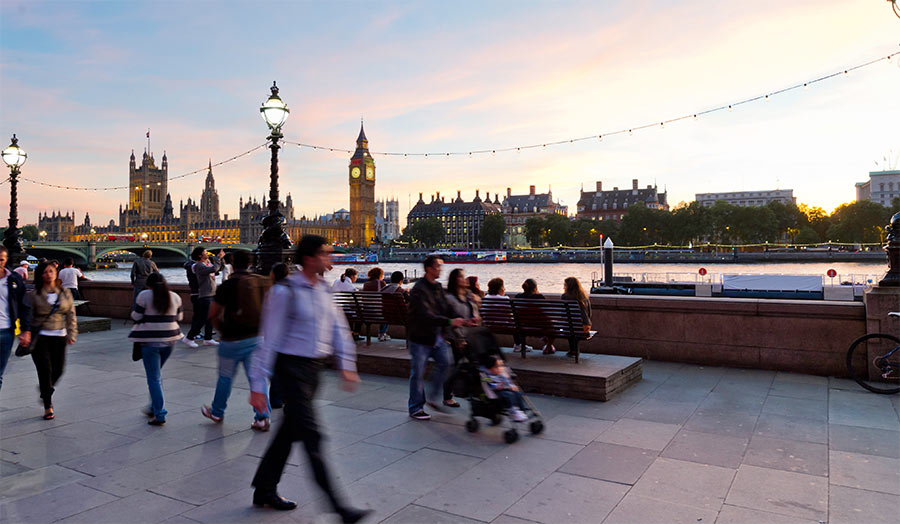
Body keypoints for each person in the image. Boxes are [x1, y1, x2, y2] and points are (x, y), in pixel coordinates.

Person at [247, 235, 371, 523]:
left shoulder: (324, 291)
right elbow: (268, 340)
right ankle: (341, 508)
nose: (330, 258)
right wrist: (257, 385)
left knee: (288, 433)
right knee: (312, 436)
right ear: (309, 259)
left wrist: (347, 365)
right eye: (325, 253)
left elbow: (339, 330)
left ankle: (264, 488)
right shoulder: (284, 292)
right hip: (291, 370)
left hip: (314, 370)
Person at [202, 250, 272, 431]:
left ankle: (217, 412)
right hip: (256, 338)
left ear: (232, 263)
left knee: (225, 378)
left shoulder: (228, 285)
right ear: (251, 263)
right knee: (257, 379)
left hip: (232, 340)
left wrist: (222, 329)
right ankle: (263, 417)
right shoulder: (261, 282)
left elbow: (213, 313)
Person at [407, 256, 466, 420]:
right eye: (438, 266)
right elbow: (425, 315)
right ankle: (415, 408)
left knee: (446, 363)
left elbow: (446, 308)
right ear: (429, 269)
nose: (441, 269)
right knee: (418, 373)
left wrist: (462, 319)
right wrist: (449, 321)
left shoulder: (438, 287)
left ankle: (432, 397)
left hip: (436, 336)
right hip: (420, 337)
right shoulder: (418, 290)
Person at [129, 272, 183, 426]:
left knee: (153, 378)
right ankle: (153, 407)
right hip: (170, 340)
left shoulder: (144, 295)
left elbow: (136, 316)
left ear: (149, 285)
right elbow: (179, 317)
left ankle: (159, 413)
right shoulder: (175, 296)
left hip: (150, 341)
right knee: (157, 375)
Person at [28, 261, 77, 420]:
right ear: (40, 275)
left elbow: (71, 314)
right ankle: (48, 406)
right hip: (40, 337)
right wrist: (26, 333)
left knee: (58, 369)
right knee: (44, 370)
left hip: (59, 335)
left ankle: (45, 390)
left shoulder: (65, 293)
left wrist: (71, 333)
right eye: (45, 272)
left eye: (51, 271)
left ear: (56, 273)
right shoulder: (34, 295)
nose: (48, 274)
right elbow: (28, 317)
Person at [443, 268, 480, 408]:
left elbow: (475, 313)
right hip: (457, 338)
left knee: (474, 365)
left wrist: (474, 318)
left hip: (470, 335)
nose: (464, 279)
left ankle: (476, 394)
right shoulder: (450, 298)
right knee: (455, 367)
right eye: (461, 277)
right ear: (455, 280)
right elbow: (450, 320)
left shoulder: (468, 295)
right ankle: (448, 396)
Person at [0, 247, 31, 391]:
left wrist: (26, 330)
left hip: (6, 332)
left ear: (6, 260)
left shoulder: (14, 279)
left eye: (1, 259)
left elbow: (24, 305)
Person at [185, 247, 224, 346]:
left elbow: (217, 269)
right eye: (205, 252)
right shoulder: (198, 265)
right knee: (202, 318)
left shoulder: (206, 263)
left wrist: (219, 259)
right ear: (200, 255)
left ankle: (208, 338)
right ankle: (189, 337)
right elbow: (214, 269)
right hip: (204, 294)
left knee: (210, 317)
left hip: (211, 293)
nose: (208, 254)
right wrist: (218, 259)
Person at [480, 354, 528, 422]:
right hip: (496, 393)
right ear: (489, 369)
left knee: (518, 393)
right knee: (509, 395)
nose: (499, 369)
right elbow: (489, 384)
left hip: (506, 388)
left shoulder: (500, 374)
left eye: (500, 366)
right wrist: (496, 386)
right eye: (496, 367)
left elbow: (507, 381)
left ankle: (522, 410)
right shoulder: (486, 376)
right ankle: (513, 412)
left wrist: (511, 385)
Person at [515, 279, 553, 353]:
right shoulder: (539, 297)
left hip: (522, 327)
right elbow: (547, 313)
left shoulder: (518, 296)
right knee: (552, 328)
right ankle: (548, 347)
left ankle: (549, 347)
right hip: (540, 328)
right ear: (535, 288)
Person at [561, 277, 592, 358]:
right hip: (583, 328)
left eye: (565, 285)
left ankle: (572, 350)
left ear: (568, 287)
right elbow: (589, 314)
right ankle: (574, 350)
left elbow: (563, 314)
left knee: (569, 325)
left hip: (568, 328)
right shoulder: (584, 297)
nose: (563, 287)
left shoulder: (564, 297)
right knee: (574, 326)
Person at [362, 268, 388, 341]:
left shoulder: (366, 284)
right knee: (387, 311)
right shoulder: (382, 283)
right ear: (380, 275)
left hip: (366, 312)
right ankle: (382, 333)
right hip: (377, 312)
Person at [181, 250, 201, 347]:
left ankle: (196, 333)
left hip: (196, 292)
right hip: (198, 293)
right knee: (199, 315)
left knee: (198, 315)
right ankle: (192, 335)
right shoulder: (194, 266)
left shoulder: (191, 265)